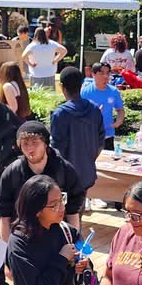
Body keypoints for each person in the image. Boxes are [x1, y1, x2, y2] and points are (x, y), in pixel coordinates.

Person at [49, 67, 105, 201]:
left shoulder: (60, 114)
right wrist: (88, 161)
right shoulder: (94, 109)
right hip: (87, 173)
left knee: (65, 217)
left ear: (62, 86)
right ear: (81, 85)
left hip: (65, 178)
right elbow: (100, 143)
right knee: (77, 213)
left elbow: (57, 150)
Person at [81, 61, 126, 147]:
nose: (105, 76)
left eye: (107, 73)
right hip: (90, 135)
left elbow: (120, 109)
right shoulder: (85, 92)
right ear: (93, 74)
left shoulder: (114, 91)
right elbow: (79, 112)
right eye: (101, 73)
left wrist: (119, 120)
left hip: (108, 134)